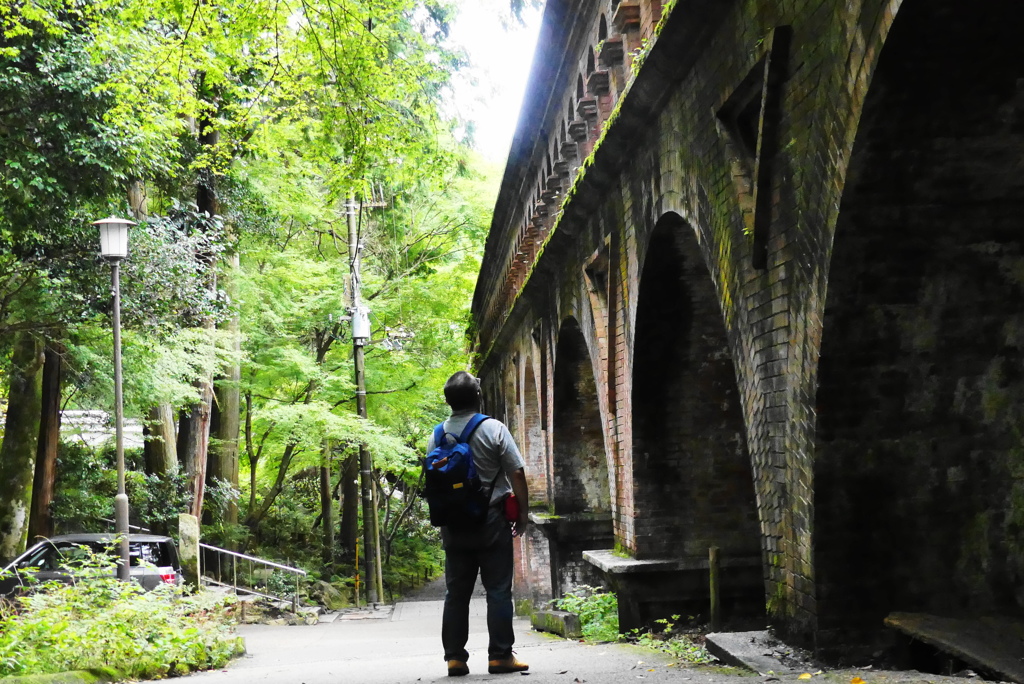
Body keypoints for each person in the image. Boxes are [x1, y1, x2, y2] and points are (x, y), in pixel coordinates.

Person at [430, 371, 530, 677]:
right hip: (492, 519)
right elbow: (517, 473)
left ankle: (455, 659)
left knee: (456, 593)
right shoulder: (494, 429)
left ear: (448, 401)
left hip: (454, 525)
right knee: (498, 589)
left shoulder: (437, 434)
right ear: (478, 396)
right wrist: (522, 514)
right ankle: (500, 656)